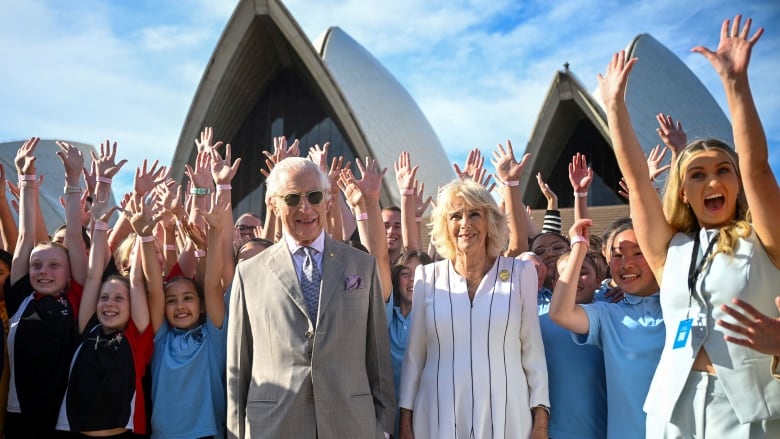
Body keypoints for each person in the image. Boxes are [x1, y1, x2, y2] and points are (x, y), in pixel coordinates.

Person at [599, 15, 780, 437]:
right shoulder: (671, 251)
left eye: (723, 171)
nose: (712, 181)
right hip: (671, 408)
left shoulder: (764, 240)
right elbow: (638, 180)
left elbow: (757, 169)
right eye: (697, 174)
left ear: (736, 185)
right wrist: (614, 107)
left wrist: (736, 86)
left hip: (747, 413)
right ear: (683, 191)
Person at [227, 157, 395, 439]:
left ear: (327, 201)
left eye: (314, 196)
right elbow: (238, 365)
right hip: (273, 427)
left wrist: (383, 427)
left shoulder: (361, 266)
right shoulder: (249, 273)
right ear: (273, 204)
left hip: (352, 426)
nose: (305, 208)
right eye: (292, 198)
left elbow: (377, 356)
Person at [399, 142, 549, 439]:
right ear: (445, 225)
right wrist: (405, 422)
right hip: (437, 415)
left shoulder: (520, 273)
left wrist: (541, 419)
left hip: (507, 415)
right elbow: (414, 357)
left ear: (490, 221)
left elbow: (533, 351)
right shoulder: (427, 277)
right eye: (455, 216)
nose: (465, 224)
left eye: (474, 215)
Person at [549, 218, 664, 438]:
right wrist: (578, 248)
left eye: (637, 252)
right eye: (618, 255)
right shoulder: (608, 314)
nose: (626, 263)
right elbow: (560, 312)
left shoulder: (681, 305)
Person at [56, 195, 153, 437]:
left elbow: (138, 281)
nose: (109, 304)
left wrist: (142, 234)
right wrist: (98, 226)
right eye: (104, 298)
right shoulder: (88, 326)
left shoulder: (136, 337)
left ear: (132, 306)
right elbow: (92, 276)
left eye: (119, 298)